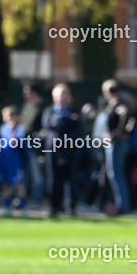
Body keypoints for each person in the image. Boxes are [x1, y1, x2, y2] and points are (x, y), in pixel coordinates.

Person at [42, 84, 81, 217]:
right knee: (54, 179)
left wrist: (63, 120)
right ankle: (55, 206)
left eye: (65, 94)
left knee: (71, 178)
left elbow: (77, 124)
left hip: (70, 148)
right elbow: (50, 125)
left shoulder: (75, 111)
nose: (62, 97)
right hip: (53, 148)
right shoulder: (49, 111)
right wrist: (67, 119)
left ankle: (71, 206)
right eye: (60, 94)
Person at [102, 80, 135, 214]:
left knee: (115, 174)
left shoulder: (118, 102)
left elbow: (124, 114)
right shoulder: (125, 100)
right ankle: (121, 204)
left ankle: (123, 206)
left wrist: (117, 133)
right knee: (116, 173)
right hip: (119, 140)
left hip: (117, 142)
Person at [0, 106, 28, 216]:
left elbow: (15, 143)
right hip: (5, 160)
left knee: (19, 184)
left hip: (15, 161)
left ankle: (23, 208)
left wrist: (13, 130)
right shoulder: (3, 128)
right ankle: (7, 207)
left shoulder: (20, 129)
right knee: (5, 183)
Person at [20, 82, 45, 204]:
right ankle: (25, 196)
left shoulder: (42, 107)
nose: (25, 94)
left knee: (37, 173)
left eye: (27, 91)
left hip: (36, 145)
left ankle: (37, 197)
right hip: (24, 142)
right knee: (25, 172)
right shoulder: (27, 106)